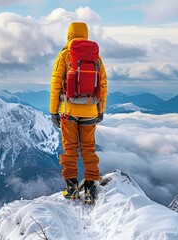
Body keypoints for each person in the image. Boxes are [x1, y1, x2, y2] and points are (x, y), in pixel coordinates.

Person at [49, 22, 107, 204]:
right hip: (90, 109)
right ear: (86, 34)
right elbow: (103, 85)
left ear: (69, 35)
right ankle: (90, 186)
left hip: (68, 110)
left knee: (70, 149)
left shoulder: (64, 56)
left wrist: (53, 111)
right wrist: (100, 109)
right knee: (89, 149)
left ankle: (71, 187)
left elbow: (55, 85)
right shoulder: (96, 58)